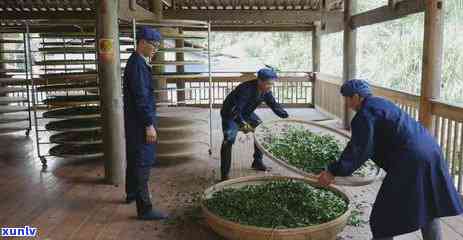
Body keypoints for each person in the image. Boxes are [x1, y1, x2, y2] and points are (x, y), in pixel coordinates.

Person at [318, 79, 463, 240]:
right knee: (428, 204)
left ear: (357, 97)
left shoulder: (364, 115)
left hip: (411, 160)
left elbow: (358, 151)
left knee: (383, 218)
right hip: (431, 151)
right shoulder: (382, 103)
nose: (346, 103)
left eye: (347, 98)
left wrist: (333, 171)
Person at [123, 26, 168, 220]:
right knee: (143, 162)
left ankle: (131, 193)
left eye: (158, 45)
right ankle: (145, 209)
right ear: (142, 42)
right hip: (140, 123)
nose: (156, 49)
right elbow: (141, 97)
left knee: (134, 158)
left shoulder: (136, 61)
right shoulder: (138, 65)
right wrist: (149, 124)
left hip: (134, 122)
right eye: (154, 44)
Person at [220, 68, 289, 181]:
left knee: (261, 131)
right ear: (259, 81)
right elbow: (235, 112)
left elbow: (274, 104)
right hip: (231, 114)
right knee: (228, 140)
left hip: (247, 113)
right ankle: (224, 174)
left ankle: (257, 162)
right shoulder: (244, 89)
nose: (270, 86)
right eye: (268, 84)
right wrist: (244, 125)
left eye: (272, 84)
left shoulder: (266, 91)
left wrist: (286, 116)